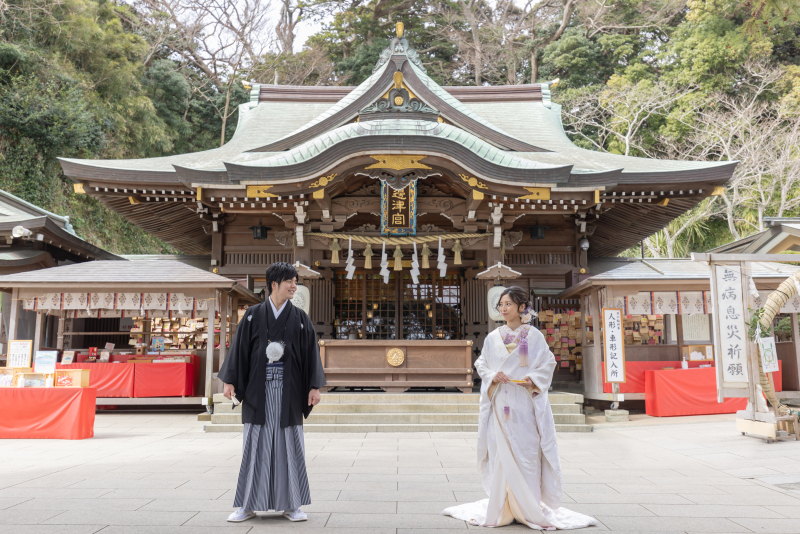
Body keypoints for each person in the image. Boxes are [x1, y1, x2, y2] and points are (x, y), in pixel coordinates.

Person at [442, 286, 597, 530]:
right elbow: (481, 364)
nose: (503, 309)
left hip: (525, 403)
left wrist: (533, 379)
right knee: (500, 454)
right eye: (501, 305)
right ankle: (503, 507)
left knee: (527, 454)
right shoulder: (493, 338)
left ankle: (527, 507)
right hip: (501, 402)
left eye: (508, 304)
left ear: (522, 307)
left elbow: (548, 362)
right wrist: (493, 375)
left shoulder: (533, 336)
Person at [218, 262, 326, 523]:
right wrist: (230, 380)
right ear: (274, 285)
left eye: (295, 281)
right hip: (259, 391)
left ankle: (291, 505)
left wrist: (314, 386)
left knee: (290, 445)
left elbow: (312, 353)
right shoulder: (253, 315)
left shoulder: (300, 318)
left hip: (289, 391)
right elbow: (240, 350)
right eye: (289, 281)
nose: (294, 285)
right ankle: (248, 505)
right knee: (255, 446)